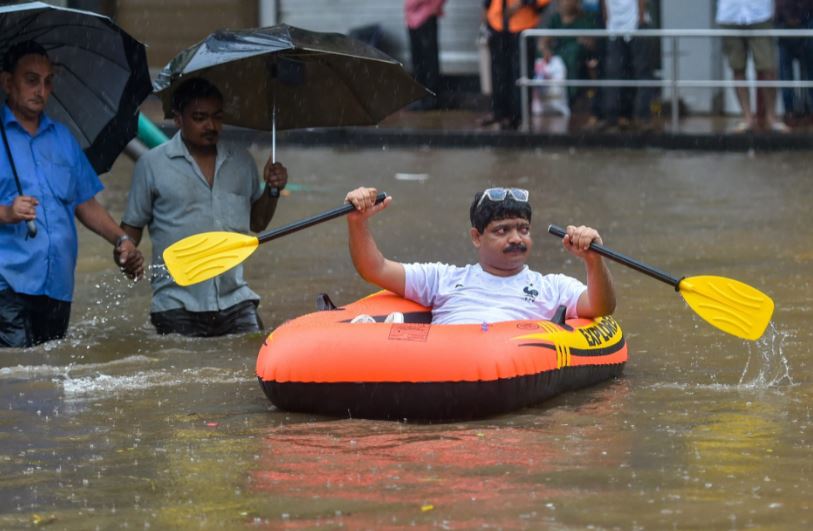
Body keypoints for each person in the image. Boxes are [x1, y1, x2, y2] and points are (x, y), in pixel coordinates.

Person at [0, 41, 144, 348]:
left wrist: (121, 239)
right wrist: (6, 213)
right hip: (7, 285)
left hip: (57, 287)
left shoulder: (63, 138)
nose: (41, 89)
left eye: (48, 81)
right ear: (7, 82)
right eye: (31, 80)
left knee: (48, 379)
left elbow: (85, 202)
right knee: (18, 377)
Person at [121, 78, 289, 337]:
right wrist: (126, 253)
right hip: (176, 302)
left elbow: (257, 223)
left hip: (236, 298)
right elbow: (130, 231)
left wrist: (272, 189)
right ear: (178, 119)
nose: (211, 126)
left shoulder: (241, 161)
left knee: (256, 353)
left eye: (217, 117)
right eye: (200, 117)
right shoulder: (151, 165)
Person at [344, 186, 615, 325]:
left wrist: (593, 259)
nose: (516, 238)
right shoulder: (442, 278)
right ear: (477, 237)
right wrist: (357, 222)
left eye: (523, 229)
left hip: (512, 369)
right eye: (502, 230)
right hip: (442, 366)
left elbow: (600, 307)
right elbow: (374, 269)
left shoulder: (552, 286)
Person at [716, 0, 790, 133]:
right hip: (730, 15)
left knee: (768, 69)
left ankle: (771, 118)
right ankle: (747, 118)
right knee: (737, 68)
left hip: (760, 14)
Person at [480, 0, 552, 130]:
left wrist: (522, 3)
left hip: (522, 24)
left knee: (520, 72)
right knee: (498, 72)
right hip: (497, 23)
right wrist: (486, 12)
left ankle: (519, 116)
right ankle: (499, 113)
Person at [600, 0, 657, 131]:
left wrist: (640, 19)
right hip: (615, 26)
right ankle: (614, 117)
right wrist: (608, 20)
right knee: (614, 72)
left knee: (642, 70)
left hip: (634, 22)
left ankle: (642, 116)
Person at [775, 0, 813, 125]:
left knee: (810, 69)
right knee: (786, 71)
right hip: (784, 22)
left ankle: (809, 109)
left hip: (807, 19)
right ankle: (789, 111)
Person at [405, 0, 446, 110]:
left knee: (428, 61)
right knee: (418, 60)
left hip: (425, 16)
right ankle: (421, 97)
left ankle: (431, 99)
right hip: (412, 19)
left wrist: (432, 8)